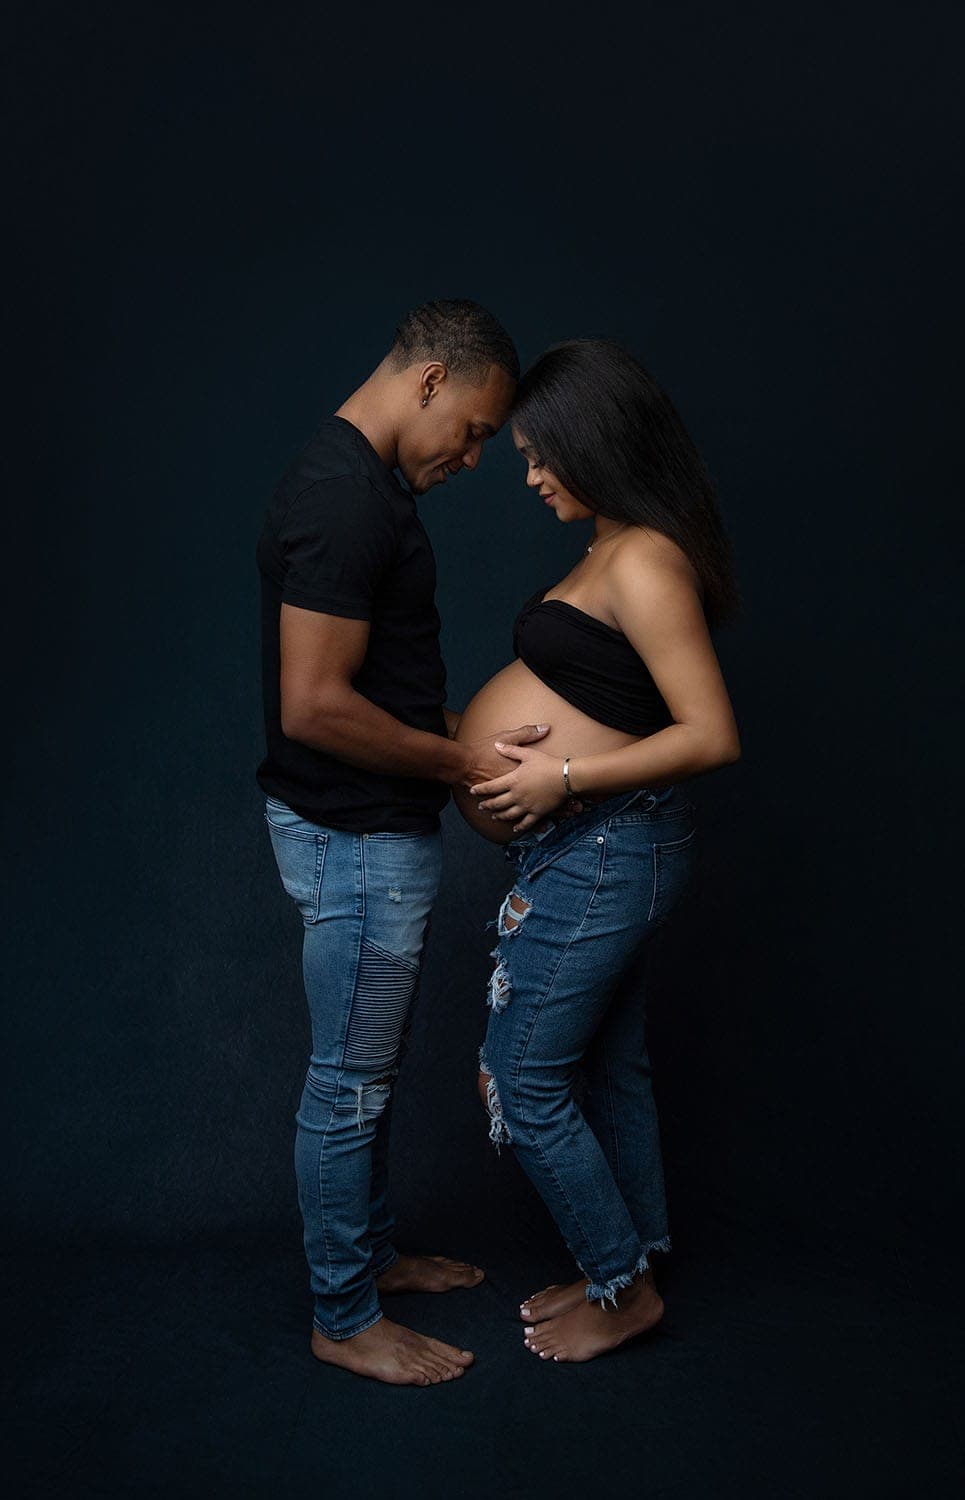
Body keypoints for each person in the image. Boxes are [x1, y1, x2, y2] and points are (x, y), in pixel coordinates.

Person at [257, 299, 554, 1386]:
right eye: (473, 429)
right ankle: (342, 1314)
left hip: (369, 829)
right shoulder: (343, 499)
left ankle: (371, 1257)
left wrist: (462, 731)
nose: (475, 456)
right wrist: (466, 766)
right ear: (428, 381)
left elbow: (375, 683)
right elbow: (316, 707)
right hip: (353, 838)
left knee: (366, 1075)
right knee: (348, 1083)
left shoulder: (365, 486)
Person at [451, 338, 741, 1363]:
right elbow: (597, 701)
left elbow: (709, 734)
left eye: (541, 456)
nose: (528, 477)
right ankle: (630, 1264)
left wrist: (557, 778)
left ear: (597, 444)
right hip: (587, 848)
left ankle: (624, 1290)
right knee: (610, 1070)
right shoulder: (610, 546)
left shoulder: (647, 558)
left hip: (609, 845)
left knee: (522, 1080)